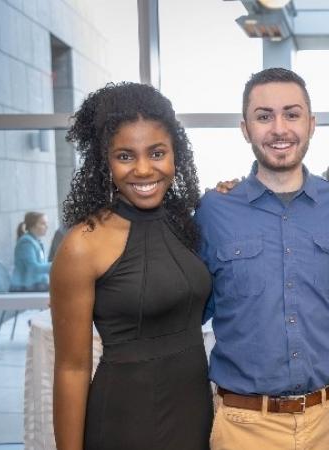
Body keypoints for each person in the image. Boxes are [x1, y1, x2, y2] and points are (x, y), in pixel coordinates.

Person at [195, 68, 329, 450]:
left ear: (312, 124)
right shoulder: (214, 209)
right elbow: (191, 307)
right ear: (245, 128)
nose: (279, 128)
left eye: (292, 114)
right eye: (264, 116)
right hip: (243, 425)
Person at [50, 82, 212, 450]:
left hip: (195, 415)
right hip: (126, 422)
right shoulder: (82, 244)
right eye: (125, 156)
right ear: (103, 161)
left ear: (176, 155)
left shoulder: (186, 224)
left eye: (157, 153)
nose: (143, 169)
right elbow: (71, 369)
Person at [10, 212, 51, 292]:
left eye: (46, 223)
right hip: (23, 287)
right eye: (43, 223)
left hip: (35, 285)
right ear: (33, 225)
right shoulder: (26, 243)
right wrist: (55, 266)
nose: (47, 226)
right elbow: (33, 268)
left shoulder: (36, 241)